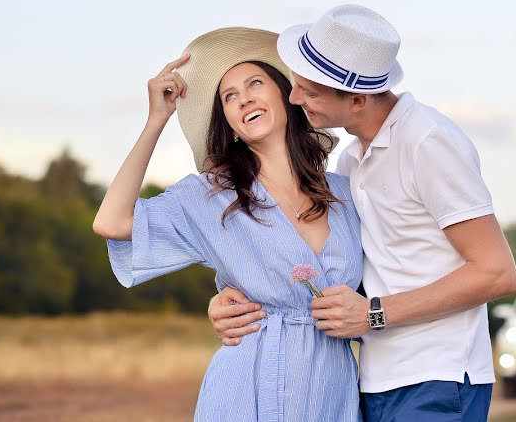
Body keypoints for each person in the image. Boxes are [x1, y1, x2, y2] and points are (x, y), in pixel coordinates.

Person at [208, 5, 516, 422]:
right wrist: (231, 302)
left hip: (438, 379)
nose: (295, 98)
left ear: (357, 99)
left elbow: (496, 272)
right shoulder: (351, 162)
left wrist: (373, 313)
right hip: (373, 379)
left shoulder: (428, 142)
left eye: (310, 91)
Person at [92, 27, 364, 421]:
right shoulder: (212, 196)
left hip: (331, 391)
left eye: (255, 83)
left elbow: (383, 290)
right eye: (229, 97)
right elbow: (112, 222)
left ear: (287, 94)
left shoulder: (347, 194)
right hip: (246, 390)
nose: (244, 99)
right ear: (230, 123)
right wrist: (156, 120)